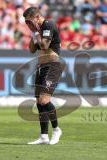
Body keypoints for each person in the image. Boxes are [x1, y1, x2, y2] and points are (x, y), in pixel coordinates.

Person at [23, 7, 64, 145]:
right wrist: (33, 34)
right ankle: (44, 136)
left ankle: (57, 130)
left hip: (52, 66)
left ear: (36, 17)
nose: (28, 24)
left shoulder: (48, 24)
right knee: (39, 102)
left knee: (44, 100)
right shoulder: (38, 31)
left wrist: (36, 33)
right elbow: (31, 50)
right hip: (41, 67)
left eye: (29, 21)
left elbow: (45, 46)